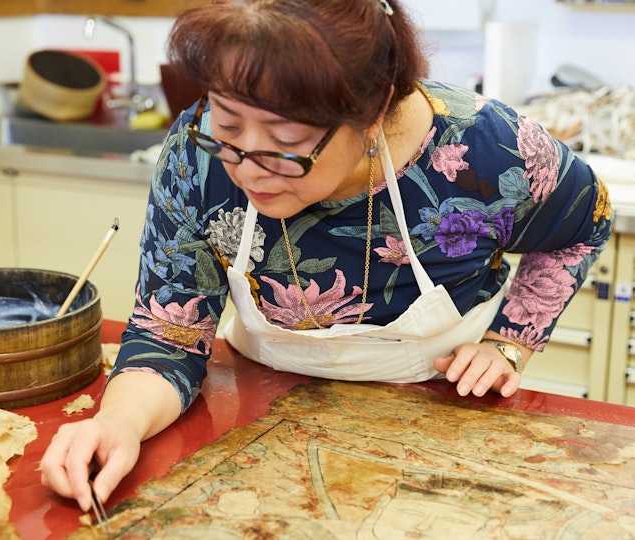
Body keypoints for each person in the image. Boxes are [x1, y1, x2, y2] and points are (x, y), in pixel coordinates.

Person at [41, 0, 613, 512]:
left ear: (373, 110)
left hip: (446, 425)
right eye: (228, 122)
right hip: (257, 415)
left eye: (286, 144)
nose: (246, 167)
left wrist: (511, 341)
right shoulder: (198, 155)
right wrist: (117, 423)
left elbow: (586, 222)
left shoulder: (487, 149)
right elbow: (169, 334)